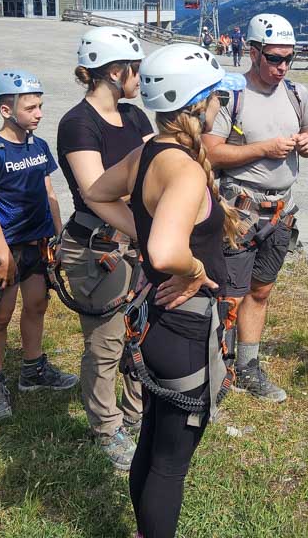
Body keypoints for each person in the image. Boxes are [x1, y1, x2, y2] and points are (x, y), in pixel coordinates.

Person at [83, 43, 245, 538]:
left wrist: (140, 229)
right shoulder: (186, 170)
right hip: (186, 325)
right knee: (171, 462)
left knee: (153, 439)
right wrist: (194, 266)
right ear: (196, 104)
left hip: (156, 318)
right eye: (217, 97)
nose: (222, 106)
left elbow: (95, 193)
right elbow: (166, 253)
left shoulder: (148, 151)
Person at [202, 14, 308, 402]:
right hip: (240, 209)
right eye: (274, 58)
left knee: (261, 291)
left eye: (289, 58)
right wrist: (263, 149)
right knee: (229, 294)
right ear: (253, 53)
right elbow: (211, 151)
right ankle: (216, 369)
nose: (282, 66)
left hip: (280, 213)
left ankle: (247, 367)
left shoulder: (297, 93)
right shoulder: (231, 96)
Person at [55, 27, 149, 470]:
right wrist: (146, 233)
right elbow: (95, 191)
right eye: (136, 69)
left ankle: (134, 413)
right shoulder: (78, 124)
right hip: (98, 248)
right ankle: (106, 427)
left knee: (139, 333)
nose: (141, 78)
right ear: (116, 71)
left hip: (135, 241)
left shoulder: (134, 118)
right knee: (106, 342)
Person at [0, 70, 77, 422]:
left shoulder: (39, 146)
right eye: (31, 107)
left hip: (38, 243)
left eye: (40, 106)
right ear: (6, 110)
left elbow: (49, 193)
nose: (39, 113)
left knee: (37, 304)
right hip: (7, 248)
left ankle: (32, 370)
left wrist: (60, 235)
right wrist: (3, 256)